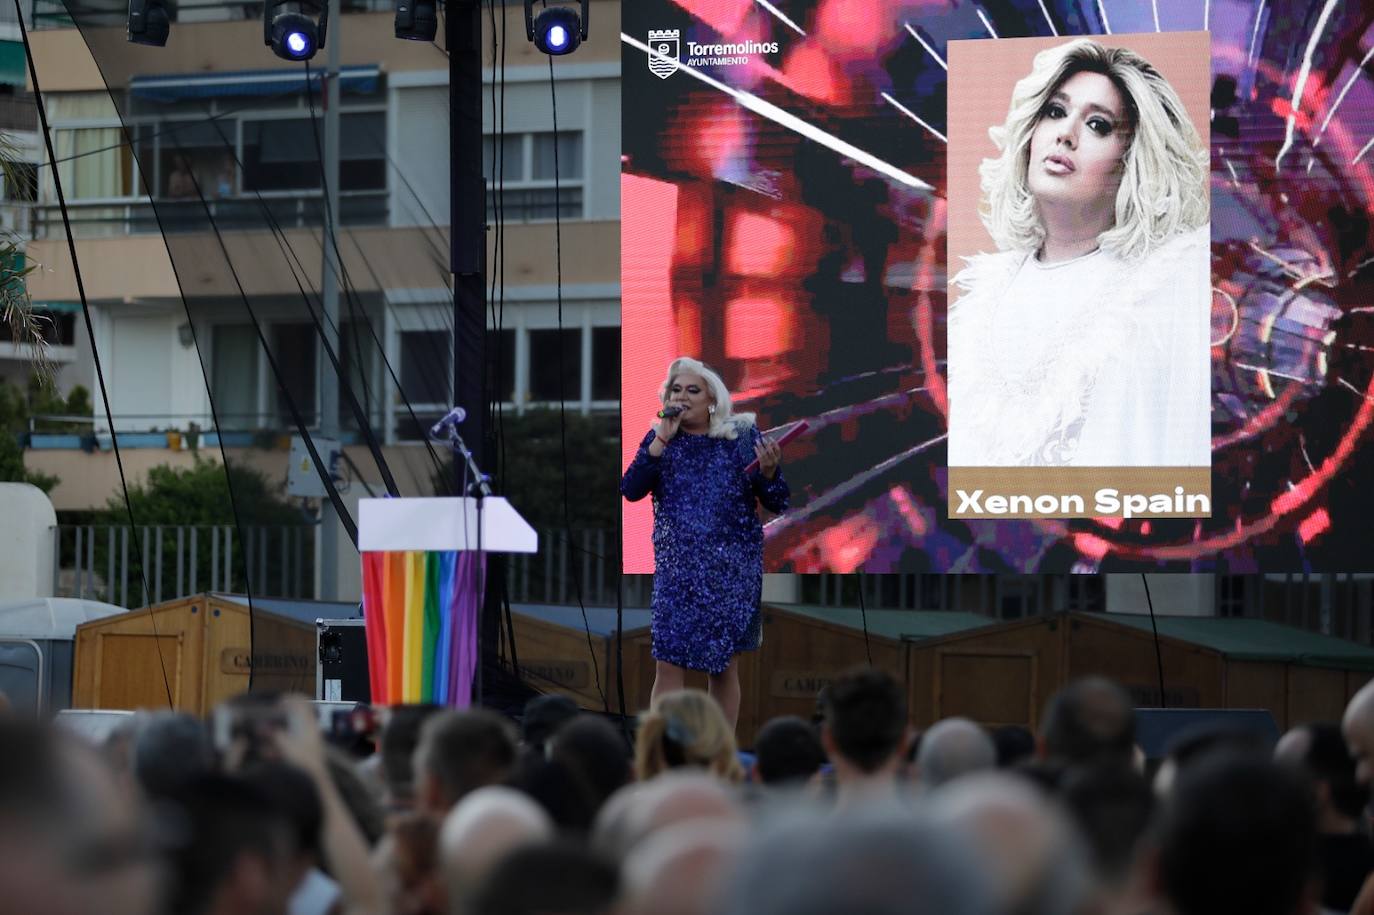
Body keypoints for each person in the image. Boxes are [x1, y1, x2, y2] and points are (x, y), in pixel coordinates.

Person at [947, 39, 1210, 467]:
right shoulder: (981, 297)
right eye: (1055, 111)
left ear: (1131, 160)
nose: (1065, 134)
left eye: (1098, 125)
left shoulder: (1171, 285)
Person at [620, 356, 789, 730]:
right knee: (668, 661)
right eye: (675, 389)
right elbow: (630, 489)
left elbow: (778, 501)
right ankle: (663, 750)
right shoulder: (660, 439)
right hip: (678, 573)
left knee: (724, 665)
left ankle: (718, 751)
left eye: (692, 390)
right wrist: (661, 438)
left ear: (713, 398)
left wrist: (770, 472)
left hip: (731, 571)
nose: (682, 396)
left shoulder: (742, 437)